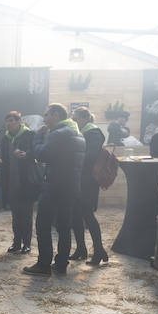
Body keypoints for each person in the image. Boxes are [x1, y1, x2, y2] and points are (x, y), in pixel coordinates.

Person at [23, 103, 85, 276]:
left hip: (54, 186)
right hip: (71, 186)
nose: (44, 119)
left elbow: (41, 154)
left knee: (43, 225)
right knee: (64, 226)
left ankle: (43, 264)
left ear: (56, 115)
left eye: (47, 115)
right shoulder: (78, 134)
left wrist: (37, 137)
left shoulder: (58, 134)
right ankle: (61, 263)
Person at [70, 107, 108, 265]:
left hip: (87, 181)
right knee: (76, 215)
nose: (74, 121)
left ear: (85, 118)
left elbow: (90, 156)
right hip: (79, 179)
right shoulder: (84, 132)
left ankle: (98, 251)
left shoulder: (93, 132)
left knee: (87, 215)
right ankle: (81, 249)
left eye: (76, 118)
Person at [0, 111, 37, 254]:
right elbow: (4, 159)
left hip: (26, 180)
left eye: (11, 121)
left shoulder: (29, 135)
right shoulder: (5, 138)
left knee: (26, 214)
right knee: (15, 215)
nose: (8, 124)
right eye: (7, 121)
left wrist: (26, 155)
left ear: (19, 122)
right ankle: (16, 242)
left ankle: (26, 243)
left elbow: (36, 152)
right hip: (11, 182)